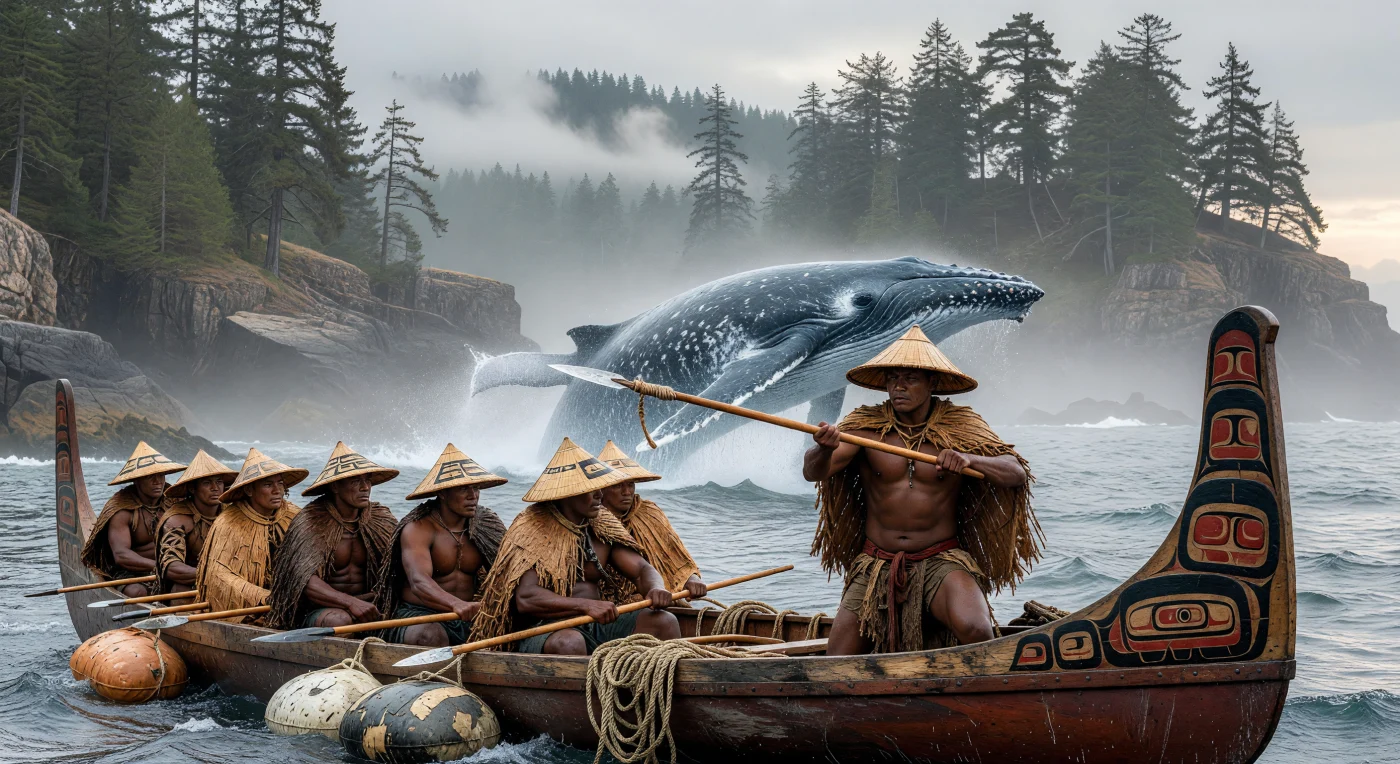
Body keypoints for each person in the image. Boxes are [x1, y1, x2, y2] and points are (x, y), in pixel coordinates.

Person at [802, 325, 1039, 655]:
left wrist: (970, 459)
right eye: (892, 378)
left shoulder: (959, 427)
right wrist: (823, 448)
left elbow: (1015, 473)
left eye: (910, 377)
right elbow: (813, 472)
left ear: (933, 382)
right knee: (837, 659)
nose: (898, 386)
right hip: (876, 563)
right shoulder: (865, 427)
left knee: (976, 628)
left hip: (940, 559)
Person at [474, 438, 681, 655]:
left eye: (600, 487)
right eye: (591, 489)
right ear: (569, 493)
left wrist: (656, 587)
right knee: (569, 642)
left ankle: (658, 686)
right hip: (543, 628)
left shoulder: (602, 524)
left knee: (664, 621)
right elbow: (526, 598)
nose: (600, 495)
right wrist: (586, 605)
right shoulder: (532, 529)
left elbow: (641, 570)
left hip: (596, 624)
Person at [375, 444, 508, 646]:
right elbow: (419, 582)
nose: (473, 496)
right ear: (443, 493)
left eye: (476, 488)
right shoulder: (418, 528)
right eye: (464, 489)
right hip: (419, 615)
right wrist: (456, 604)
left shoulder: (486, 527)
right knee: (431, 635)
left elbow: (507, 575)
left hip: (468, 616)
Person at [267, 442, 399, 629]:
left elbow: (401, 568)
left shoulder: (381, 518)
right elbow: (303, 580)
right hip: (321, 609)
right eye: (355, 481)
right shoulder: (312, 520)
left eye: (367, 480)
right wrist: (350, 603)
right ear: (336, 486)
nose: (365, 487)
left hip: (371, 604)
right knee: (340, 621)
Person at [195, 448, 307, 622]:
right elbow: (219, 574)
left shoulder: (294, 514)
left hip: (289, 598)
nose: (277, 490)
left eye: (280, 483)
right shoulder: (228, 522)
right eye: (268, 485)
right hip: (253, 605)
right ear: (249, 490)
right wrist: (263, 596)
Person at [596, 441, 706, 602]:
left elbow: (673, 553)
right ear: (601, 488)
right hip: (612, 605)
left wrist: (690, 579)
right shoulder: (590, 520)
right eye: (618, 486)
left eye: (630, 484)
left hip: (657, 597)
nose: (627, 492)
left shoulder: (649, 512)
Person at [80, 442, 187, 597]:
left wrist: (178, 568)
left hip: (172, 567)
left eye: (161, 475)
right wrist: (161, 568)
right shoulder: (122, 510)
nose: (158, 481)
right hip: (131, 573)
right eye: (150, 476)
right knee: (138, 592)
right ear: (137, 480)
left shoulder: (174, 502)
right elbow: (122, 555)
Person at [156, 450, 239, 593]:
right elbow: (171, 567)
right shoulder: (177, 519)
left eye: (219, 481)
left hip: (232, 582)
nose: (215, 488)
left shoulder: (233, 514)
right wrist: (215, 576)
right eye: (207, 483)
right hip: (192, 583)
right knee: (180, 591)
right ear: (193, 488)